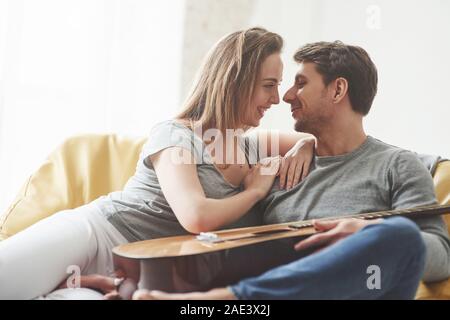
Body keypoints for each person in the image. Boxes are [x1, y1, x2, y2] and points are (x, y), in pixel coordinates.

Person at [0, 27, 317, 300]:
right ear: (235, 81)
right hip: (94, 235)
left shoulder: (251, 145)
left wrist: (304, 144)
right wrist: (253, 192)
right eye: (269, 85)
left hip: (127, 272)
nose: (277, 99)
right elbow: (196, 216)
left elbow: (319, 142)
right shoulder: (175, 135)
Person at [133, 41, 450, 300]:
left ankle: (227, 301)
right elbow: (220, 239)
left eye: (300, 84)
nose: (284, 96)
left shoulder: (398, 165)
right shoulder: (269, 168)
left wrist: (367, 235)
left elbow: (440, 257)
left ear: (338, 90)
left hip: (353, 290)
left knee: (403, 235)